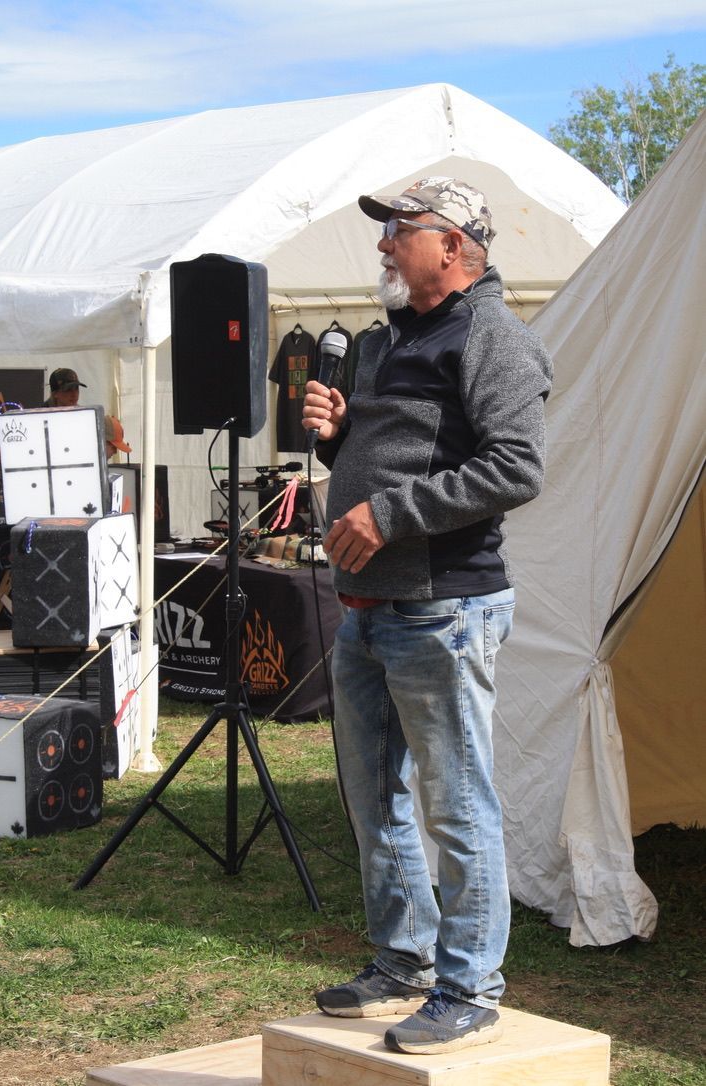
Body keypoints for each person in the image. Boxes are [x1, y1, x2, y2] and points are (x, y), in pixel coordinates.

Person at [302, 177, 553, 1056]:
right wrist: (338, 437)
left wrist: (387, 514)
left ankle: (470, 987)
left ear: (453, 244)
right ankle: (402, 961)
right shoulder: (387, 339)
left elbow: (516, 468)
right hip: (368, 609)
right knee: (376, 802)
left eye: (398, 232)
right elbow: (396, 444)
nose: (382, 247)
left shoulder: (494, 336)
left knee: (458, 806)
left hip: (444, 608)